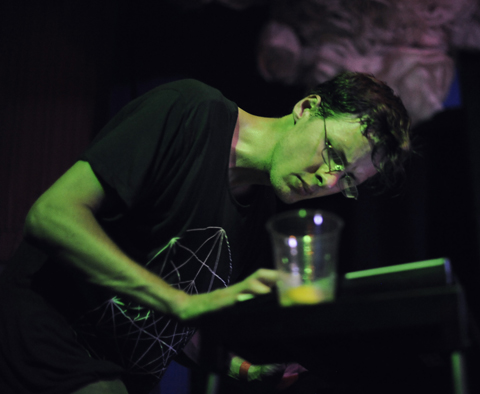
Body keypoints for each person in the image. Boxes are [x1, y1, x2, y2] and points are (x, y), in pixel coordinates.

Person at [0, 72, 411, 394]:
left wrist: (243, 369)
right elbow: (51, 214)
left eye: (348, 180)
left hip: (116, 373)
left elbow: (176, 322)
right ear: (306, 108)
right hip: (41, 340)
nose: (329, 179)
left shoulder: (261, 215)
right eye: (333, 153)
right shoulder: (189, 111)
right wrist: (180, 303)